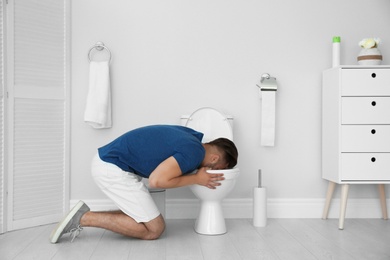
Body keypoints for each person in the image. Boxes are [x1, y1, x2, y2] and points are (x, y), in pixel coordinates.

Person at [50, 124, 238, 243]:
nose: (216, 171)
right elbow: (157, 181)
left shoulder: (192, 138)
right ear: (214, 159)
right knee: (154, 229)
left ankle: (82, 214)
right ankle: (84, 218)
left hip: (111, 163)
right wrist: (197, 179)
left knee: (143, 217)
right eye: (222, 167)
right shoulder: (194, 152)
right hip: (112, 168)